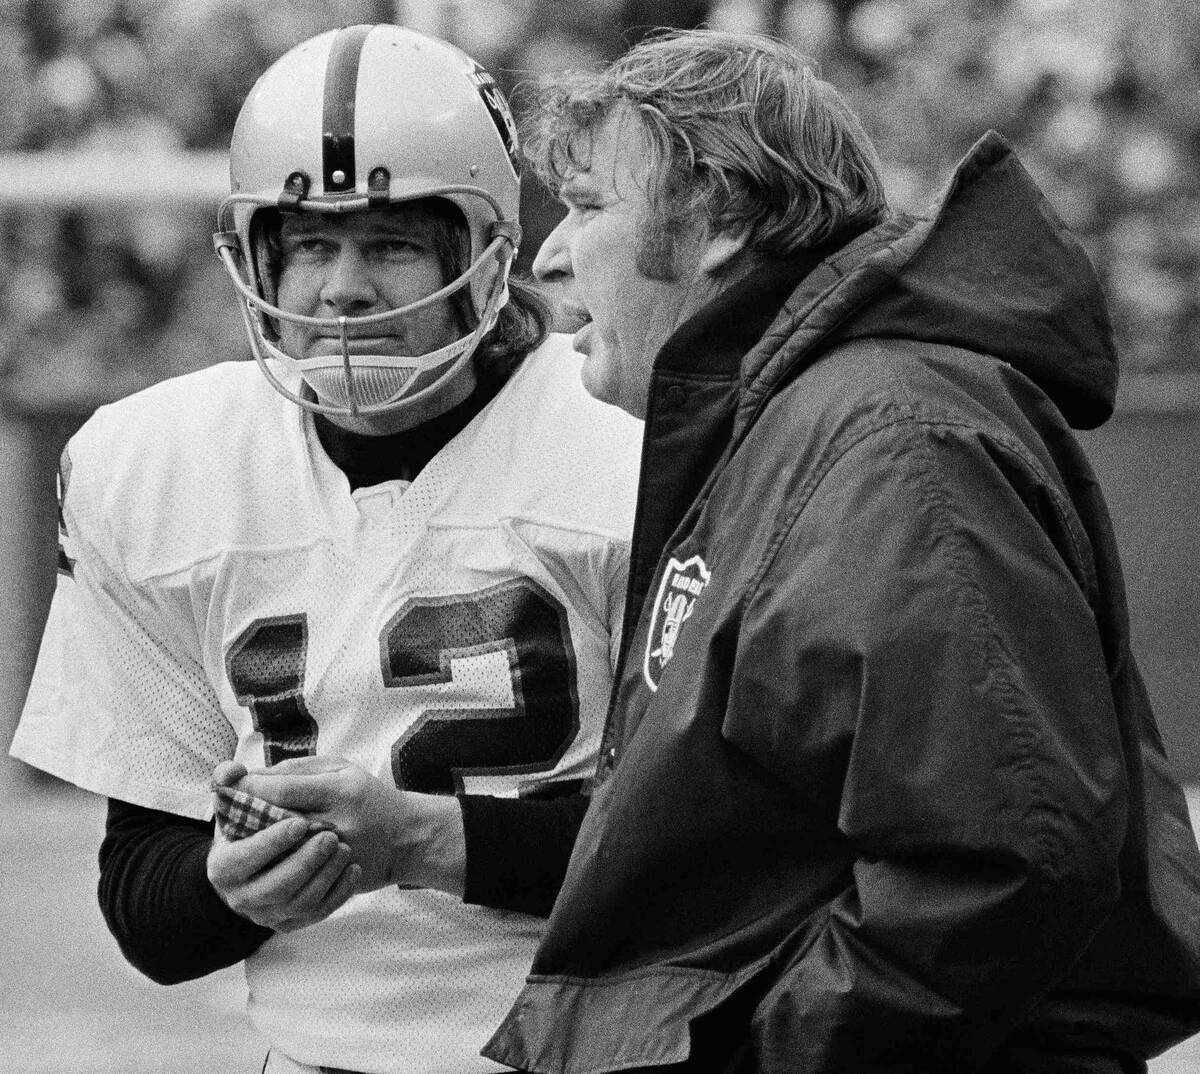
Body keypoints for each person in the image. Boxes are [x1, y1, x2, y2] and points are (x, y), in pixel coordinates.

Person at [477, 29, 1200, 1074]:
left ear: (719, 213)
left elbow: (998, 858)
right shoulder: (795, 426)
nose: (549, 253)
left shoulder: (888, 435)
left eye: (588, 207)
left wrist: (752, 1059)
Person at [9, 24, 641, 1074]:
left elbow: (713, 851)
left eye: (390, 243)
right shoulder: (159, 466)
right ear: (254, 255)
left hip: (590, 1051)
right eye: (309, 244)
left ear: (486, 251)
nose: (343, 288)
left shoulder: (621, 438)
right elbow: (147, 911)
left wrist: (422, 839)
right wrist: (231, 884)